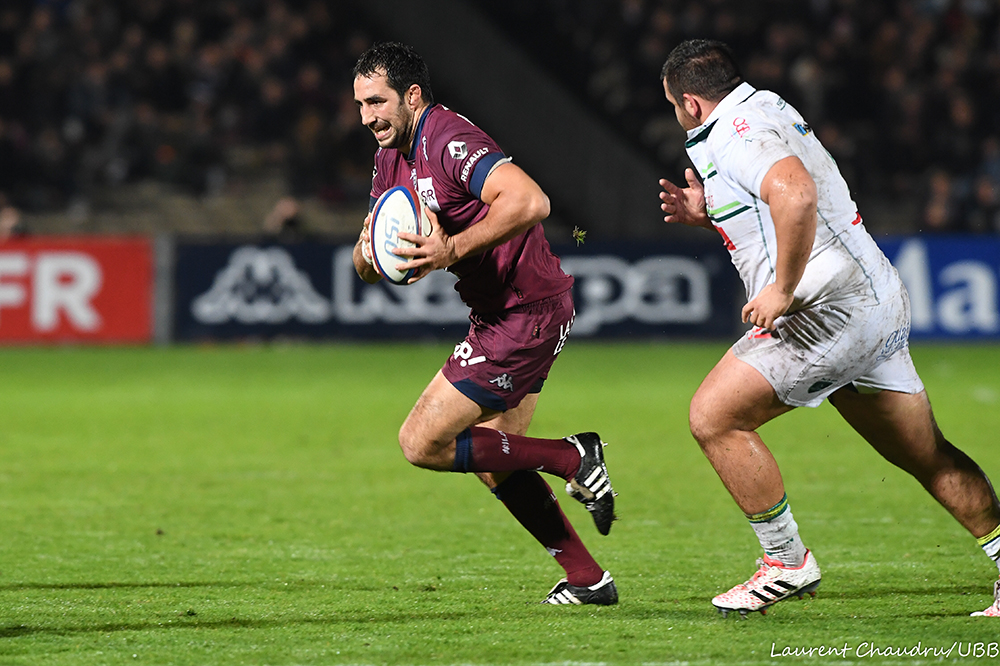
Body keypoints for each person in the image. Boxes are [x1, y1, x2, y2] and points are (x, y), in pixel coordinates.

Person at [657, 39, 1000, 618]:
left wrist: (782, 289)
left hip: (830, 309)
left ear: (690, 103)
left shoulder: (736, 133)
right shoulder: (764, 107)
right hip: (873, 296)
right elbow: (775, 197)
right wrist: (711, 211)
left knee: (714, 417)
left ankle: (785, 562)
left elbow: (795, 195)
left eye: (672, 105)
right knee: (928, 455)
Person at [351, 42, 618, 605]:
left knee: (421, 442)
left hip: (524, 313)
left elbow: (532, 201)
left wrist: (451, 249)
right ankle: (588, 580)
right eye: (360, 105)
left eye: (377, 102)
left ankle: (572, 456)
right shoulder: (389, 157)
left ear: (412, 96)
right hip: (508, 313)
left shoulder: (448, 139)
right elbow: (368, 257)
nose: (367, 116)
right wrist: (369, 255)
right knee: (496, 459)